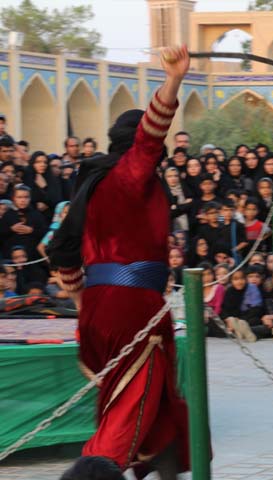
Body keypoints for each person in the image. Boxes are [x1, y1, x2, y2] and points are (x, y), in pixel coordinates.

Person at [47, 45, 190, 478]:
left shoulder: (91, 186)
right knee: (128, 410)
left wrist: (81, 301)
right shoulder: (128, 178)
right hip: (133, 311)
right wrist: (174, 79)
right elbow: (150, 137)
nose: (158, 159)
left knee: (153, 396)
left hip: (102, 308)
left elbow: (61, 252)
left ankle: (169, 460)